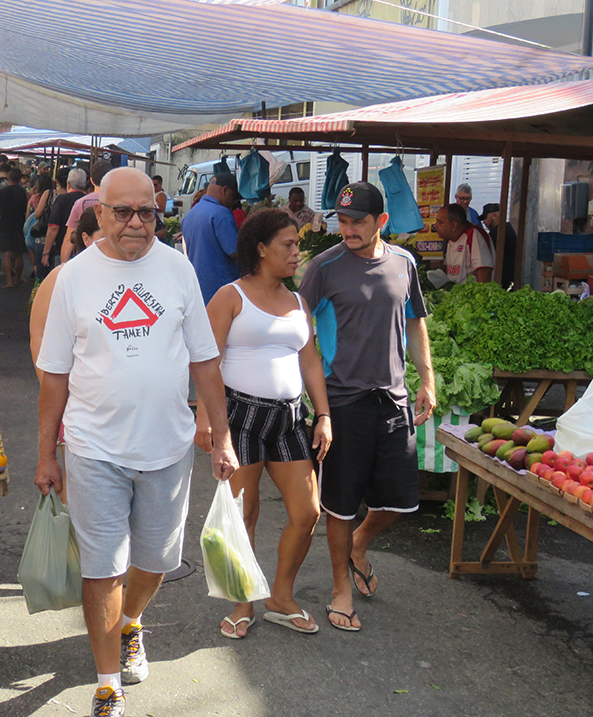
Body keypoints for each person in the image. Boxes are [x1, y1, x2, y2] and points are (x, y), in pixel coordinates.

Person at [35, 167, 238, 717]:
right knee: (102, 569)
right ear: (97, 213)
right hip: (92, 447)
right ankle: (107, 685)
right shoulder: (73, 277)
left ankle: (131, 622)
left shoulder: (177, 270)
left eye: (146, 211)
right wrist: (46, 453)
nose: (135, 223)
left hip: (167, 449)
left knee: (155, 561)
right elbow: (54, 373)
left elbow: (204, 359)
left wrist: (222, 437)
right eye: (122, 211)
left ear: (159, 211)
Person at [298, 182, 435, 633]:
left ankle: (359, 544)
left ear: (382, 221)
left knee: (400, 502)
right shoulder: (324, 266)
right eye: (342, 220)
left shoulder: (405, 263)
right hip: (341, 402)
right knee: (338, 505)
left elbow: (415, 323)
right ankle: (341, 588)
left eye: (358, 221)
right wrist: (318, 407)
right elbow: (301, 337)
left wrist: (427, 379)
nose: (348, 229)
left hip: (393, 398)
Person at [196, 208, 331, 639]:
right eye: (288, 245)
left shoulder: (298, 301)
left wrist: (324, 415)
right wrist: (207, 419)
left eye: (297, 244)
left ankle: (281, 596)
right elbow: (207, 360)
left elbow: (310, 360)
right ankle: (243, 601)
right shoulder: (229, 296)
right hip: (241, 417)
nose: (296, 252)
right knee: (244, 514)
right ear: (260, 249)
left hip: (291, 418)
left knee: (307, 511)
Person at [29, 208, 103, 383]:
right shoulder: (62, 276)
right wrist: (50, 388)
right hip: (75, 393)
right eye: (103, 238)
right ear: (86, 239)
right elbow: (38, 336)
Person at [180, 171, 240, 304]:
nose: (233, 201)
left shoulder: (190, 214)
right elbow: (235, 251)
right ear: (225, 190)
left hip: (198, 287)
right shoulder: (221, 213)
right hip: (221, 288)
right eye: (233, 196)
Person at [60, 161, 112, 263]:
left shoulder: (80, 203)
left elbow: (68, 237)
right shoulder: (118, 203)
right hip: (112, 258)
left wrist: (63, 265)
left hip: (84, 258)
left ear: (91, 181)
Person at [434, 203, 494, 284]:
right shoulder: (451, 238)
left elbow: (484, 270)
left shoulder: (474, 235)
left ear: (453, 225)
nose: (435, 226)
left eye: (440, 222)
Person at [42, 167, 86, 269]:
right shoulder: (87, 200)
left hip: (63, 248)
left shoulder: (61, 199)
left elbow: (53, 227)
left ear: (68, 184)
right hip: (84, 249)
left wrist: (46, 252)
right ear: (85, 184)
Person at [0, 167, 29, 288]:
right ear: (20, 178)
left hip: (4, 223)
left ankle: (9, 281)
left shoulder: (1, 192)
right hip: (19, 224)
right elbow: (29, 209)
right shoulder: (25, 193)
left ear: (8, 177)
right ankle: (18, 278)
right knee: (19, 253)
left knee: (7, 254)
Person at [480, 203, 517, 288]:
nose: (484, 222)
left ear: (495, 216)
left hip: (503, 279)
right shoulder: (508, 229)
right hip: (509, 278)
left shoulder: (498, 232)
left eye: (485, 218)